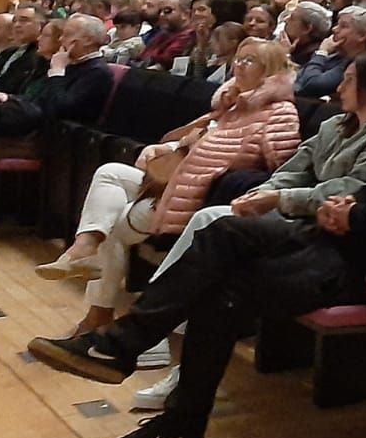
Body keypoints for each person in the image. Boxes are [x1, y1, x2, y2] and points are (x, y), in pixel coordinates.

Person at [28, 46, 366, 438]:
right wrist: (342, 208)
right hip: (340, 238)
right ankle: (123, 348)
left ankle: (166, 404)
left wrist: (356, 216)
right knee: (222, 231)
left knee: (223, 293)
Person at [129, 53, 366, 410]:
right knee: (212, 228)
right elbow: (295, 167)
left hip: (322, 225)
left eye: (349, 79)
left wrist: (279, 198)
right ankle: (165, 342)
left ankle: (157, 332)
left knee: (213, 225)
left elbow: (351, 187)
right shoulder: (336, 125)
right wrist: (266, 192)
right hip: (296, 212)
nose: (339, 86)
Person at [35, 38, 302, 337]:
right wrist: (169, 146)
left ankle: (103, 310)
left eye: (249, 60)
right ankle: (85, 248)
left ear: (269, 71)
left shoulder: (280, 112)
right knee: (109, 173)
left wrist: (229, 173)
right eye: (238, 59)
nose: (238, 66)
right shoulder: (230, 103)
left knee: (113, 224)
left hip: (201, 198)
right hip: (175, 183)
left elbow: (283, 167)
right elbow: (193, 139)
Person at [294, 7, 366, 98]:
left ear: (362, 35)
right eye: (337, 24)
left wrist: (321, 52)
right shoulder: (336, 55)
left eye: (343, 26)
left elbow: (313, 84)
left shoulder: (359, 64)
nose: (334, 29)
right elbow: (299, 78)